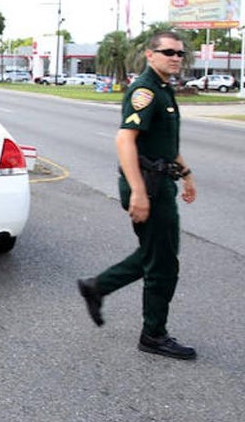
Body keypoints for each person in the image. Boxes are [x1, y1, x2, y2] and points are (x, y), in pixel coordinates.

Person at [77, 30, 199, 360]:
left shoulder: (163, 89)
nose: (175, 58)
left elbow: (165, 146)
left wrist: (186, 175)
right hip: (148, 187)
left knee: (155, 254)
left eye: (179, 54)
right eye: (169, 52)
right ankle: (153, 335)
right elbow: (124, 140)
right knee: (163, 265)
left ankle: (96, 286)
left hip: (161, 184)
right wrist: (139, 194)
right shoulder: (145, 90)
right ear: (150, 54)